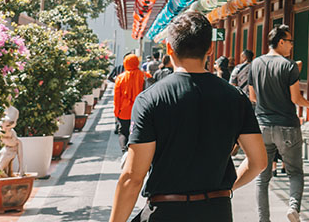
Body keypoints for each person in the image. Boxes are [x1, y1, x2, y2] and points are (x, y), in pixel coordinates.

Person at [109, 12, 266, 222]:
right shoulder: (235, 98)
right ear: (210, 48)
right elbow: (259, 162)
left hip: (166, 211)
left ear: (169, 48)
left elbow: (133, 177)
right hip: (217, 211)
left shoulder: (150, 99)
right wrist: (226, 187)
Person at [249, 25, 309, 222]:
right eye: (290, 42)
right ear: (281, 42)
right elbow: (296, 98)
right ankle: (293, 207)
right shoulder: (289, 66)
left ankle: (264, 219)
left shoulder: (256, 64)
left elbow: (253, 97)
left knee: (262, 178)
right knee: (295, 172)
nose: (291, 46)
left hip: (262, 126)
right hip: (287, 126)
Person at [113, 54, 147, 153]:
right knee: (138, 131)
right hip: (140, 109)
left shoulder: (120, 78)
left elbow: (117, 97)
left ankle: (124, 150)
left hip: (124, 110)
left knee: (123, 131)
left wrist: (116, 111)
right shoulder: (144, 75)